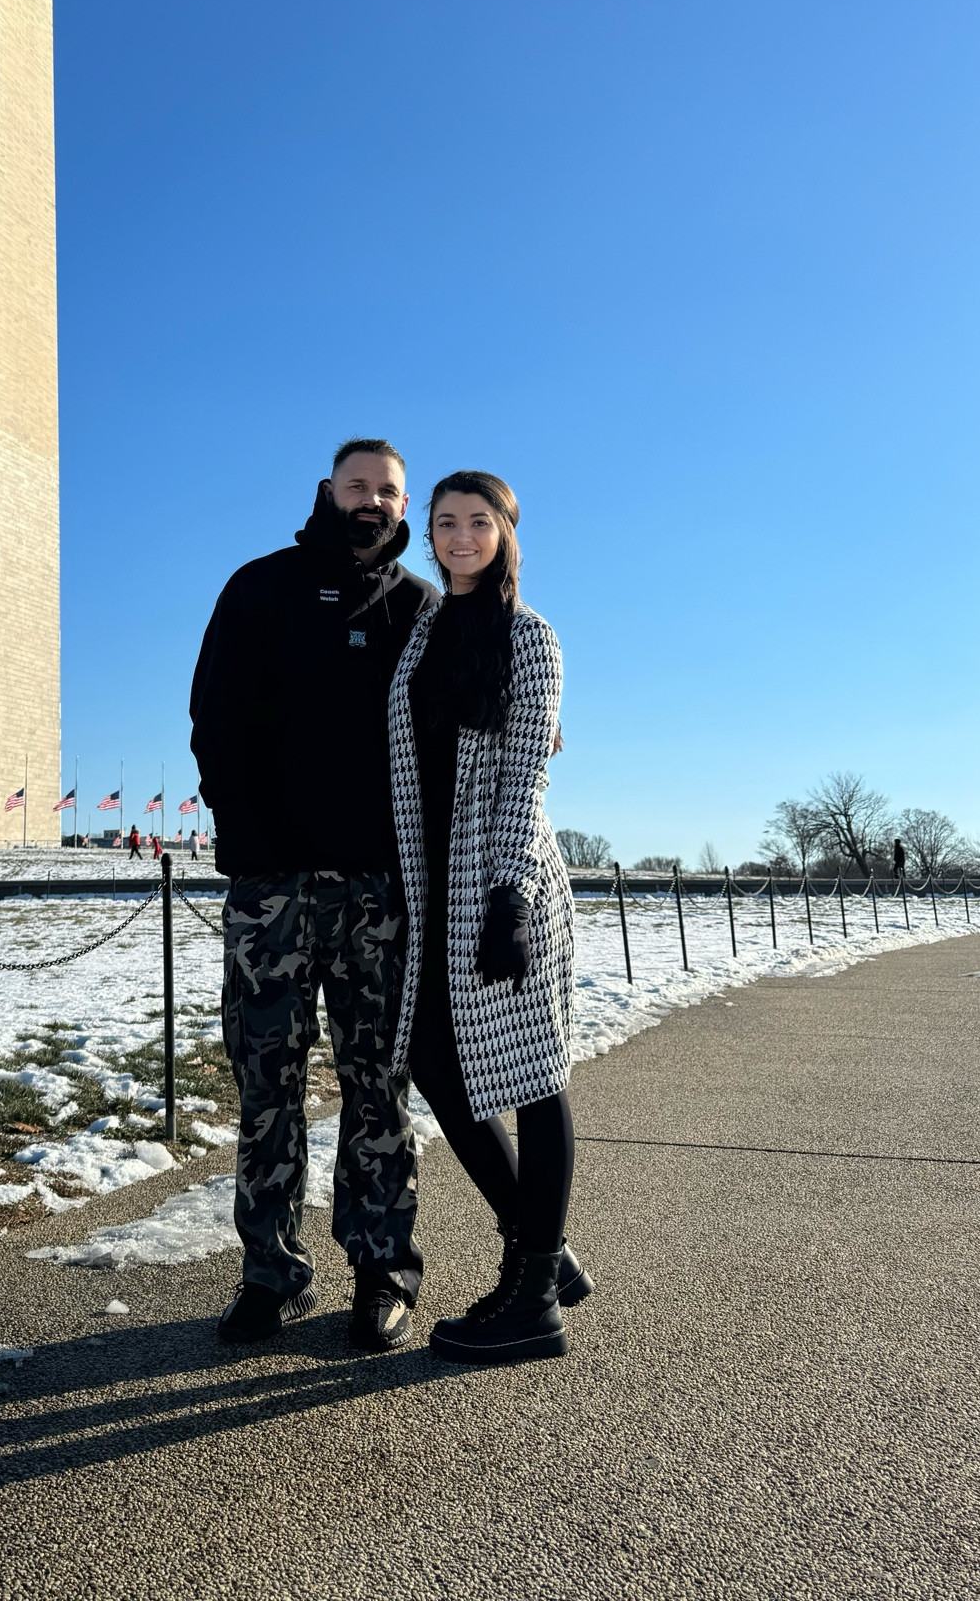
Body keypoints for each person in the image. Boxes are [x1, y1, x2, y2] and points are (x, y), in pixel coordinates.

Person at [191, 439, 438, 1349]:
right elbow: (215, 720)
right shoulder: (259, 587)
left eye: (388, 490)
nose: (372, 501)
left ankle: (383, 1271)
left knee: (379, 1088)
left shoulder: (421, 606)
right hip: (274, 892)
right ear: (327, 491)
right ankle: (271, 1274)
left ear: (403, 504)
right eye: (357, 485)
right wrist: (251, 841)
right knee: (268, 1089)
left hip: (380, 893)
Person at [387, 470, 592, 1365]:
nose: (461, 536)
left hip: (505, 883)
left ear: (506, 532)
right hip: (432, 884)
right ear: (429, 534)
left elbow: (525, 775)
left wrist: (509, 893)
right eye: (446, 522)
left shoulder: (530, 635)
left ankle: (533, 1297)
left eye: (479, 522)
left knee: (536, 1077)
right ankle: (542, 1250)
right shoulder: (424, 630)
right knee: (437, 1063)